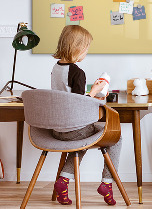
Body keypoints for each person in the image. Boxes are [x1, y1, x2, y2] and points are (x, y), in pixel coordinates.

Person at [51, 25, 121, 206]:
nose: (86, 52)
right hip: (74, 129)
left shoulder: (56, 68)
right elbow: (79, 104)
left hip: (57, 129)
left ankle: (63, 181)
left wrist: (91, 92)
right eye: (86, 48)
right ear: (77, 47)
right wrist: (96, 91)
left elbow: (68, 97)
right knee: (116, 137)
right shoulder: (77, 72)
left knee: (81, 141)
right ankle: (107, 183)